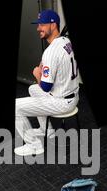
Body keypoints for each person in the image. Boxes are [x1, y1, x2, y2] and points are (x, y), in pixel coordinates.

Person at [15, 9, 80, 156]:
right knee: (32, 89)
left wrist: (37, 74)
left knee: (15, 107)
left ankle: (34, 146)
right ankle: (48, 131)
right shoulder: (66, 41)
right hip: (72, 95)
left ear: (53, 25)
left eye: (42, 25)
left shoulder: (50, 52)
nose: (38, 28)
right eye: (38, 25)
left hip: (61, 102)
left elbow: (45, 87)